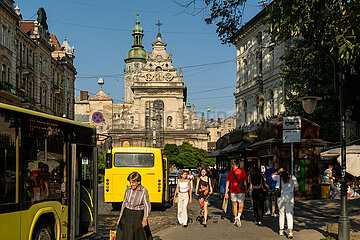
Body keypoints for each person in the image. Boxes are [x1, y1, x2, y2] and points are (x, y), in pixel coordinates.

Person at [116, 172, 152, 240]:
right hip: (127, 214)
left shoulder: (143, 191)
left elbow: (147, 206)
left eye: (133, 182)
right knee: (124, 235)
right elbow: (124, 204)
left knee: (138, 235)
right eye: (130, 182)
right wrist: (120, 218)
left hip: (137, 215)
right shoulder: (128, 189)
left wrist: (145, 219)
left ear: (138, 182)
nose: (131, 184)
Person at [272, 167, 299, 239]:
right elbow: (297, 188)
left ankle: (281, 230)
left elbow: (272, 176)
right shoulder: (293, 177)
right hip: (289, 197)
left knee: (281, 213)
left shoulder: (279, 177)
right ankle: (290, 231)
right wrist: (290, 189)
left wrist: (278, 171)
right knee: (289, 213)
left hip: (281, 197)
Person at [225, 160, 247, 227]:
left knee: (234, 204)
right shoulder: (242, 172)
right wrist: (246, 189)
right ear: (238, 165)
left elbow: (228, 182)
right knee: (241, 204)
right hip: (241, 190)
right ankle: (238, 216)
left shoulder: (230, 172)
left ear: (233, 165)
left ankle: (235, 218)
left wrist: (226, 192)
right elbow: (245, 181)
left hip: (233, 190)